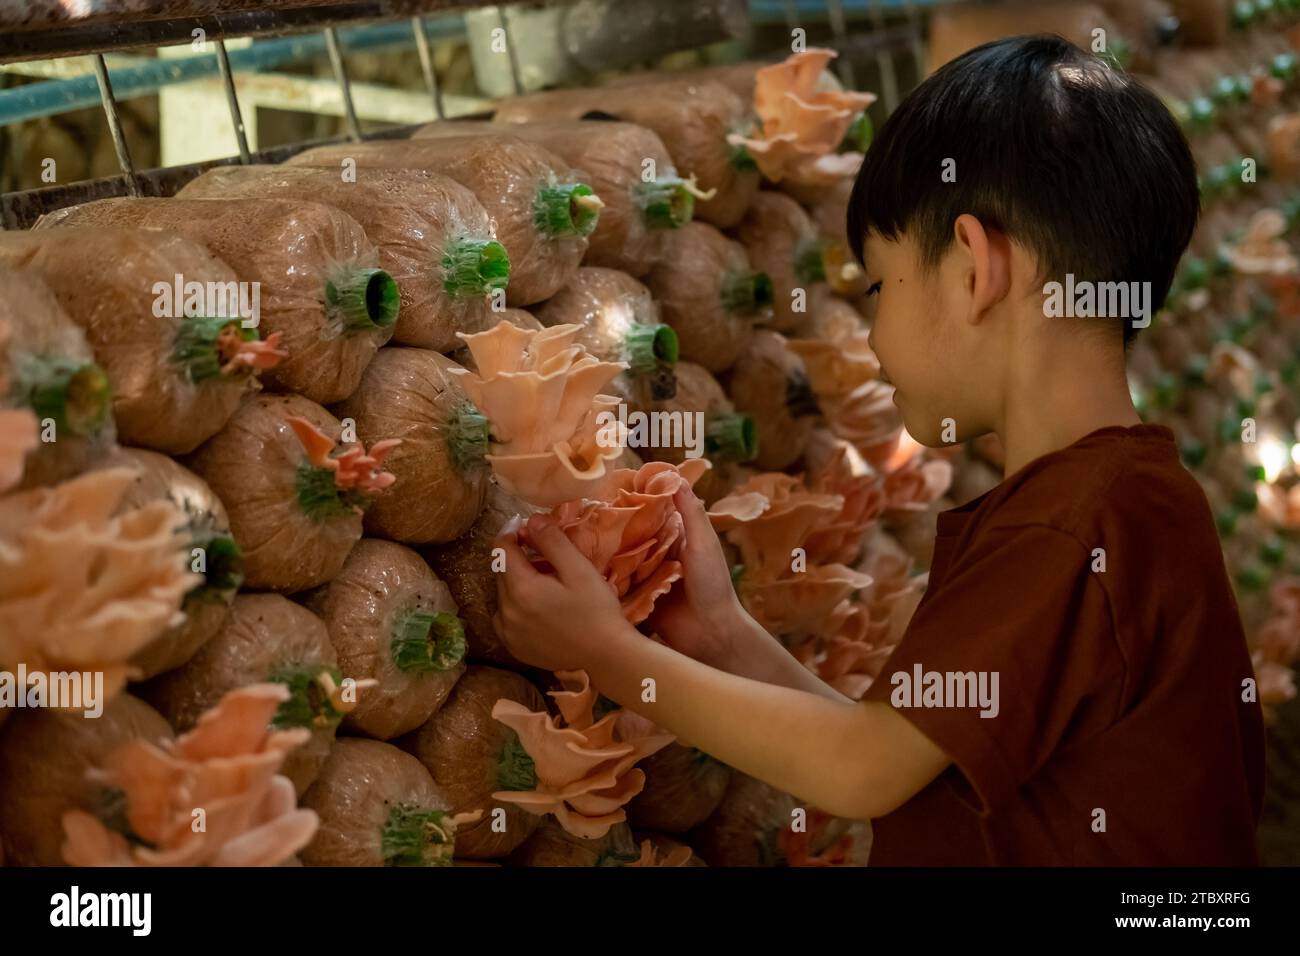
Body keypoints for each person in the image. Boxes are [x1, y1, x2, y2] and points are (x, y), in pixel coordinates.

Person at [492, 35, 1265, 865]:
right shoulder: (1118, 498)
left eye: (878, 286)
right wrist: (720, 633)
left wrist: (603, 655)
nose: (872, 335)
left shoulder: (1067, 528)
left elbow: (862, 772)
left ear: (974, 268)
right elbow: (900, 754)